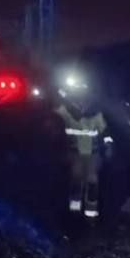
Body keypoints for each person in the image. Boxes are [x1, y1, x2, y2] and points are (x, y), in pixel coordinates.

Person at [54, 74, 112, 217]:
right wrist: (61, 90)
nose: (81, 101)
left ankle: (90, 213)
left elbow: (105, 132)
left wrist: (109, 146)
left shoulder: (95, 114)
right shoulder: (65, 111)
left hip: (93, 154)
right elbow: (54, 104)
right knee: (76, 181)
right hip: (75, 154)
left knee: (92, 182)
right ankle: (74, 212)